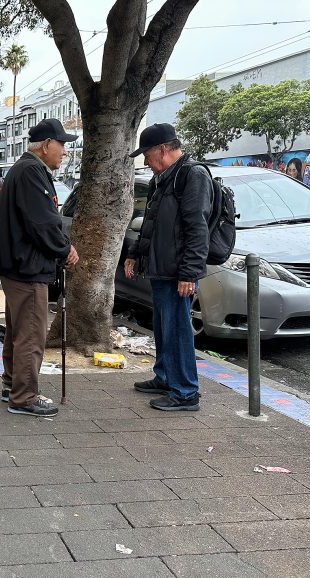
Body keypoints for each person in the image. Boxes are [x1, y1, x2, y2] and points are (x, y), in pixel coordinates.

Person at [124, 122, 213, 412]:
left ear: (162, 149)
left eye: (147, 156)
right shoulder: (161, 180)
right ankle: (164, 377)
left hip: (178, 270)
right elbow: (148, 223)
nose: (146, 162)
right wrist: (135, 253)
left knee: (177, 330)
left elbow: (197, 229)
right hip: (160, 268)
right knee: (163, 328)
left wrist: (189, 272)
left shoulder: (192, 175)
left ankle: (186, 392)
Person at [0, 118, 79, 417]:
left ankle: (12, 385)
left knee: (18, 331)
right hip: (27, 268)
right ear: (46, 145)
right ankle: (24, 395)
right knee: (30, 333)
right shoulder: (31, 171)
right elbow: (43, 222)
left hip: (18, 266)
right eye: (62, 145)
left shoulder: (23, 169)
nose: (64, 153)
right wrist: (64, 248)